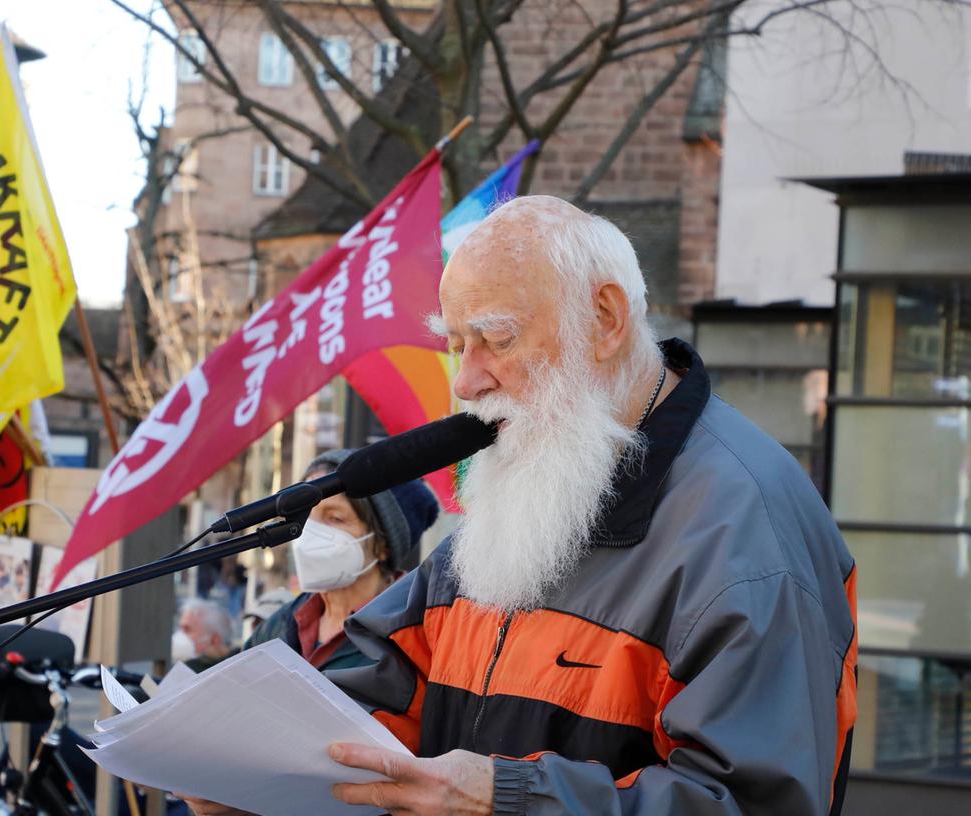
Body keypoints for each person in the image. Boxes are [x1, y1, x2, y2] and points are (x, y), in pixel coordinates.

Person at [181, 196, 858, 815]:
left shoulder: (746, 535)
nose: (469, 381)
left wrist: (508, 800)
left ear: (604, 320)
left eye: (497, 340)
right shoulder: (545, 471)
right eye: (456, 345)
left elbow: (757, 803)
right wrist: (260, 769)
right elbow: (382, 686)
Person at [241, 453, 439, 672]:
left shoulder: (417, 638)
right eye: (304, 516)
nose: (310, 531)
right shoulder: (274, 629)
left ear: (383, 546)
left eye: (335, 518)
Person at [172, 598, 236, 672]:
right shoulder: (188, 667)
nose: (180, 635)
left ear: (215, 639)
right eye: (181, 629)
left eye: (187, 629)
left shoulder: (237, 669)